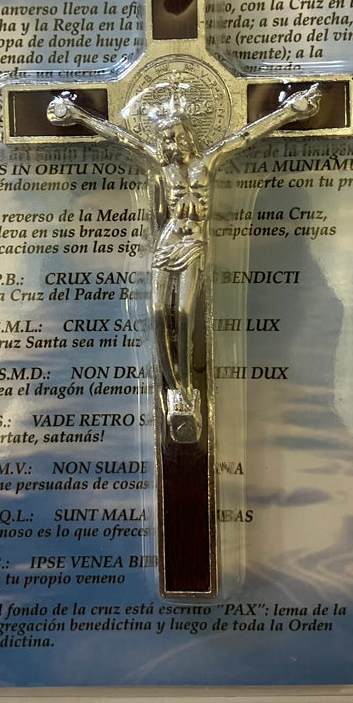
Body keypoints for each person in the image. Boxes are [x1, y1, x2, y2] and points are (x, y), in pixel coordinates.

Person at [47, 81, 321, 443]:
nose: (173, 144)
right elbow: (122, 137)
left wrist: (288, 112)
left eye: (178, 137)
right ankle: (174, 387)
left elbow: (245, 137)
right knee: (158, 312)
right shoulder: (162, 166)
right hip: (167, 242)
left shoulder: (208, 163)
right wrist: (78, 115)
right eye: (168, 139)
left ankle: (187, 389)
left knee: (186, 312)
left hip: (193, 244)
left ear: (189, 137)